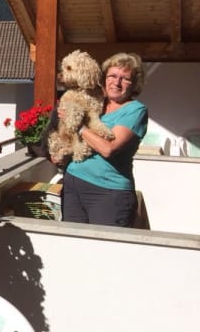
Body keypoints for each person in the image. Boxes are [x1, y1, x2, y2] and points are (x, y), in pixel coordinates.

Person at [60, 52, 148, 226]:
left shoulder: (135, 111)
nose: (116, 82)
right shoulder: (97, 102)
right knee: (73, 245)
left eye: (125, 79)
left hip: (107, 192)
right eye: (112, 76)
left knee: (104, 250)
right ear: (104, 78)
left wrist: (78, 125)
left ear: (134, 84)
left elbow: (109, 149)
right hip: (72, 184)